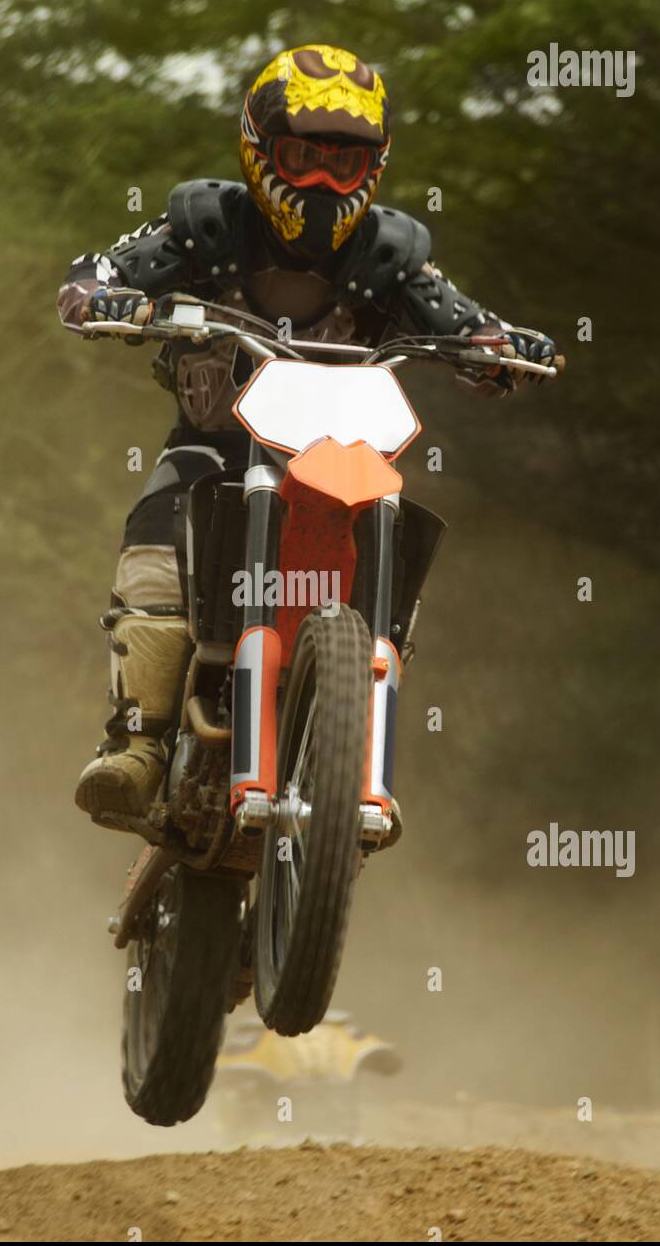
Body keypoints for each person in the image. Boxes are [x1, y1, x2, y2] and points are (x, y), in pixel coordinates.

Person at [58, 43, 557, 832]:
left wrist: (498, 347)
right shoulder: (206, 226)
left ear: (377, 166)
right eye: (303, 156)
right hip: (215, 456)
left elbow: (463, 321)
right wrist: (100, 293)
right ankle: (140, 740)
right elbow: (111, 265)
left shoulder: (393, 256)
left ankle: (357, 732)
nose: (323, 181)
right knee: (157, 538)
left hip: (336, 462)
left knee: (394, 520)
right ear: (260, 149)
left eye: (345, 162)